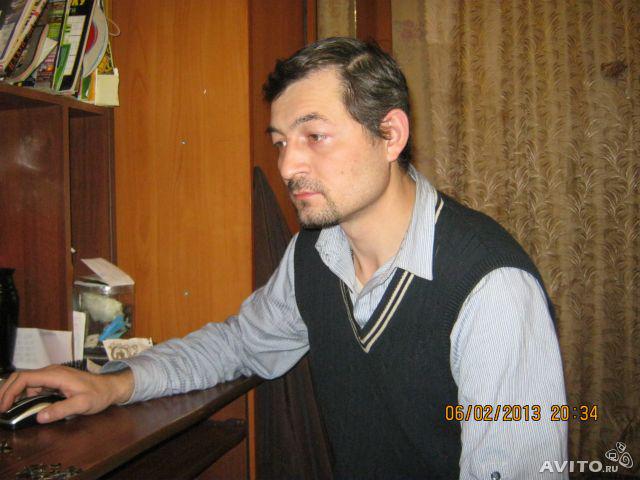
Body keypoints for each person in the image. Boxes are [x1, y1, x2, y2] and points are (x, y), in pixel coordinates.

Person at [0, 37, 567, 479]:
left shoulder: (491, 287)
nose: (288, 166)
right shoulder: (315, 252)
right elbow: (239, 344)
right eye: (279, 143)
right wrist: (113, 385)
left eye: (313, 136)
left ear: (390, 134)